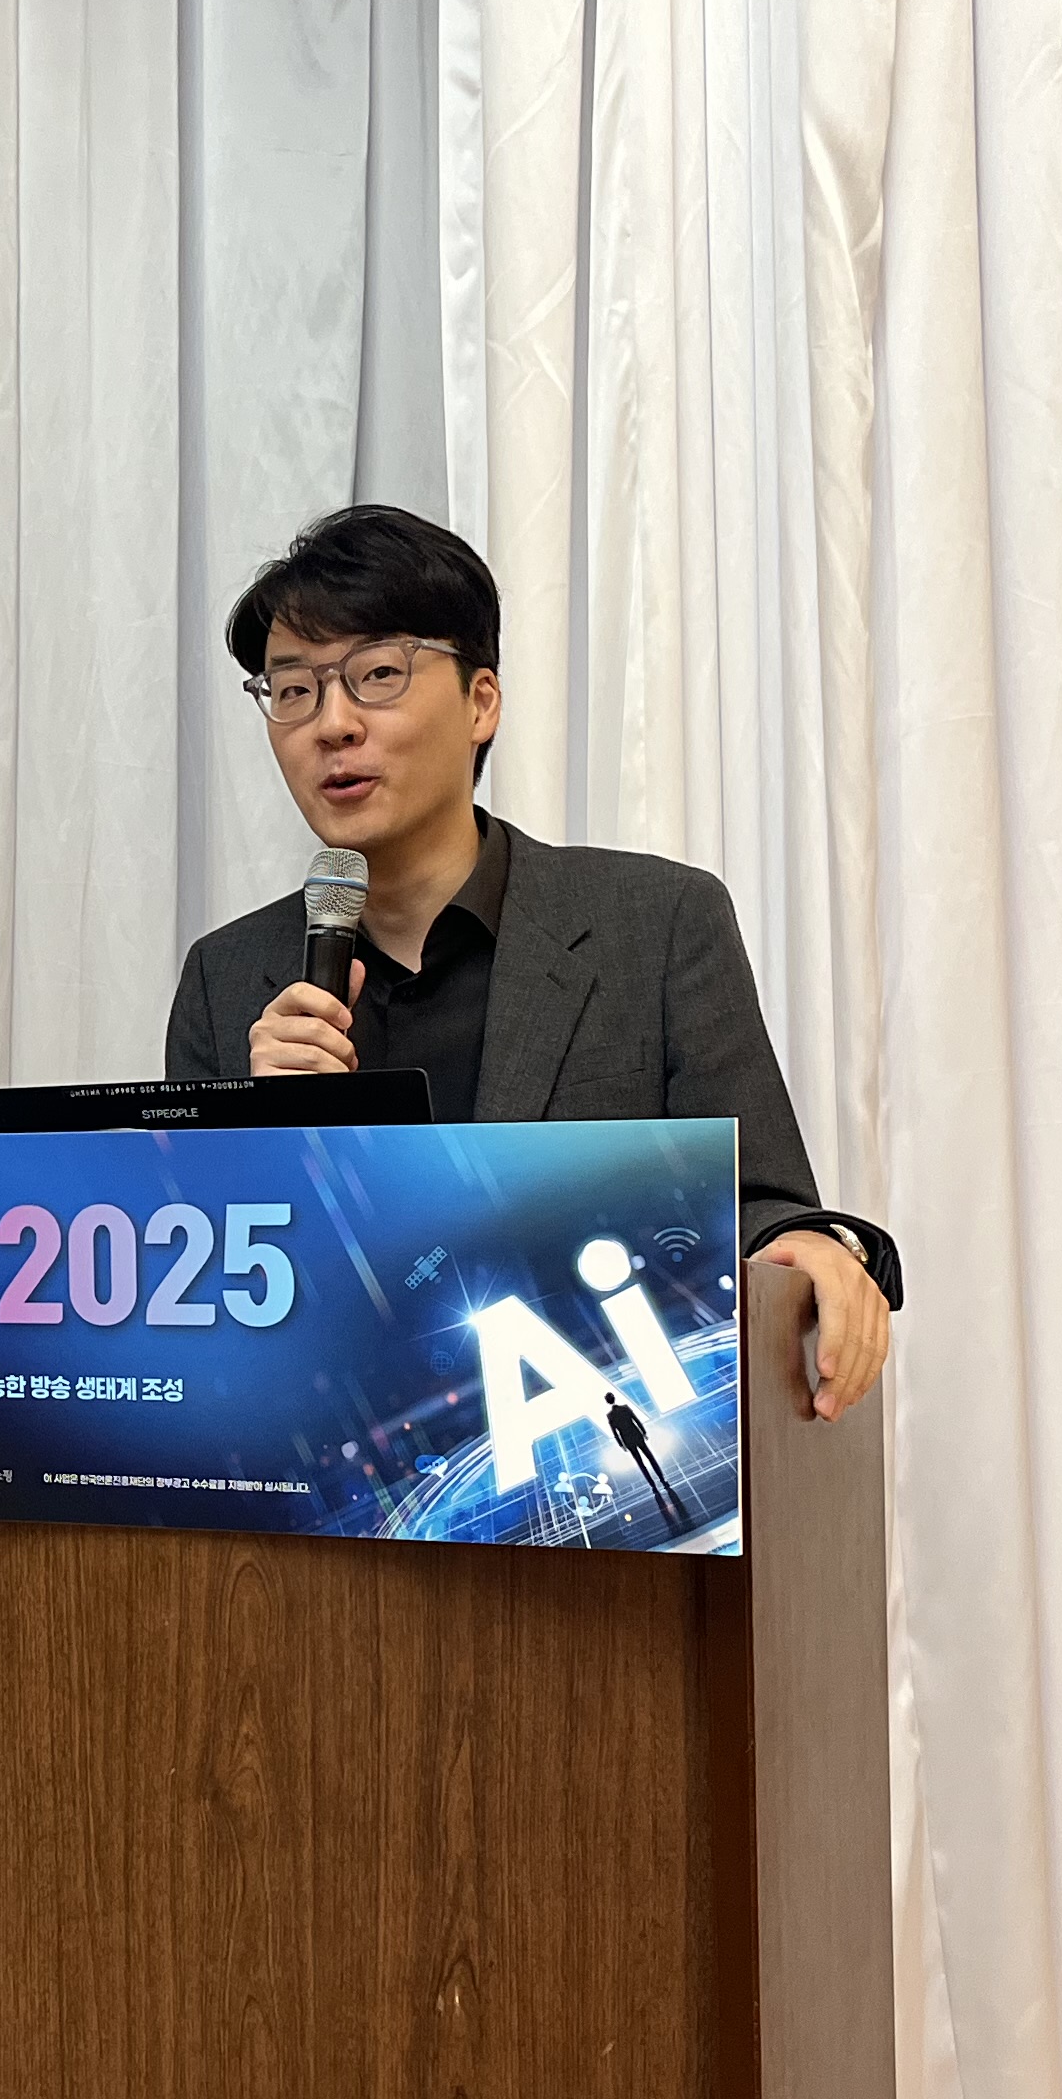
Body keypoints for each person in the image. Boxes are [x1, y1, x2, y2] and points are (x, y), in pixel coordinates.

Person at [163, 504, 900, 1420]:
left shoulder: (654, 925)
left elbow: (758, 1205)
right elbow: (201, 1311)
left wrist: (819, 1248)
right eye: (293, 690)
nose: (332, 724)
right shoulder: (229, 978)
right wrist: (266, 1141)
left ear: (481, 702)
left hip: (600, 1445)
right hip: (341, 1474)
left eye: (377, 674)